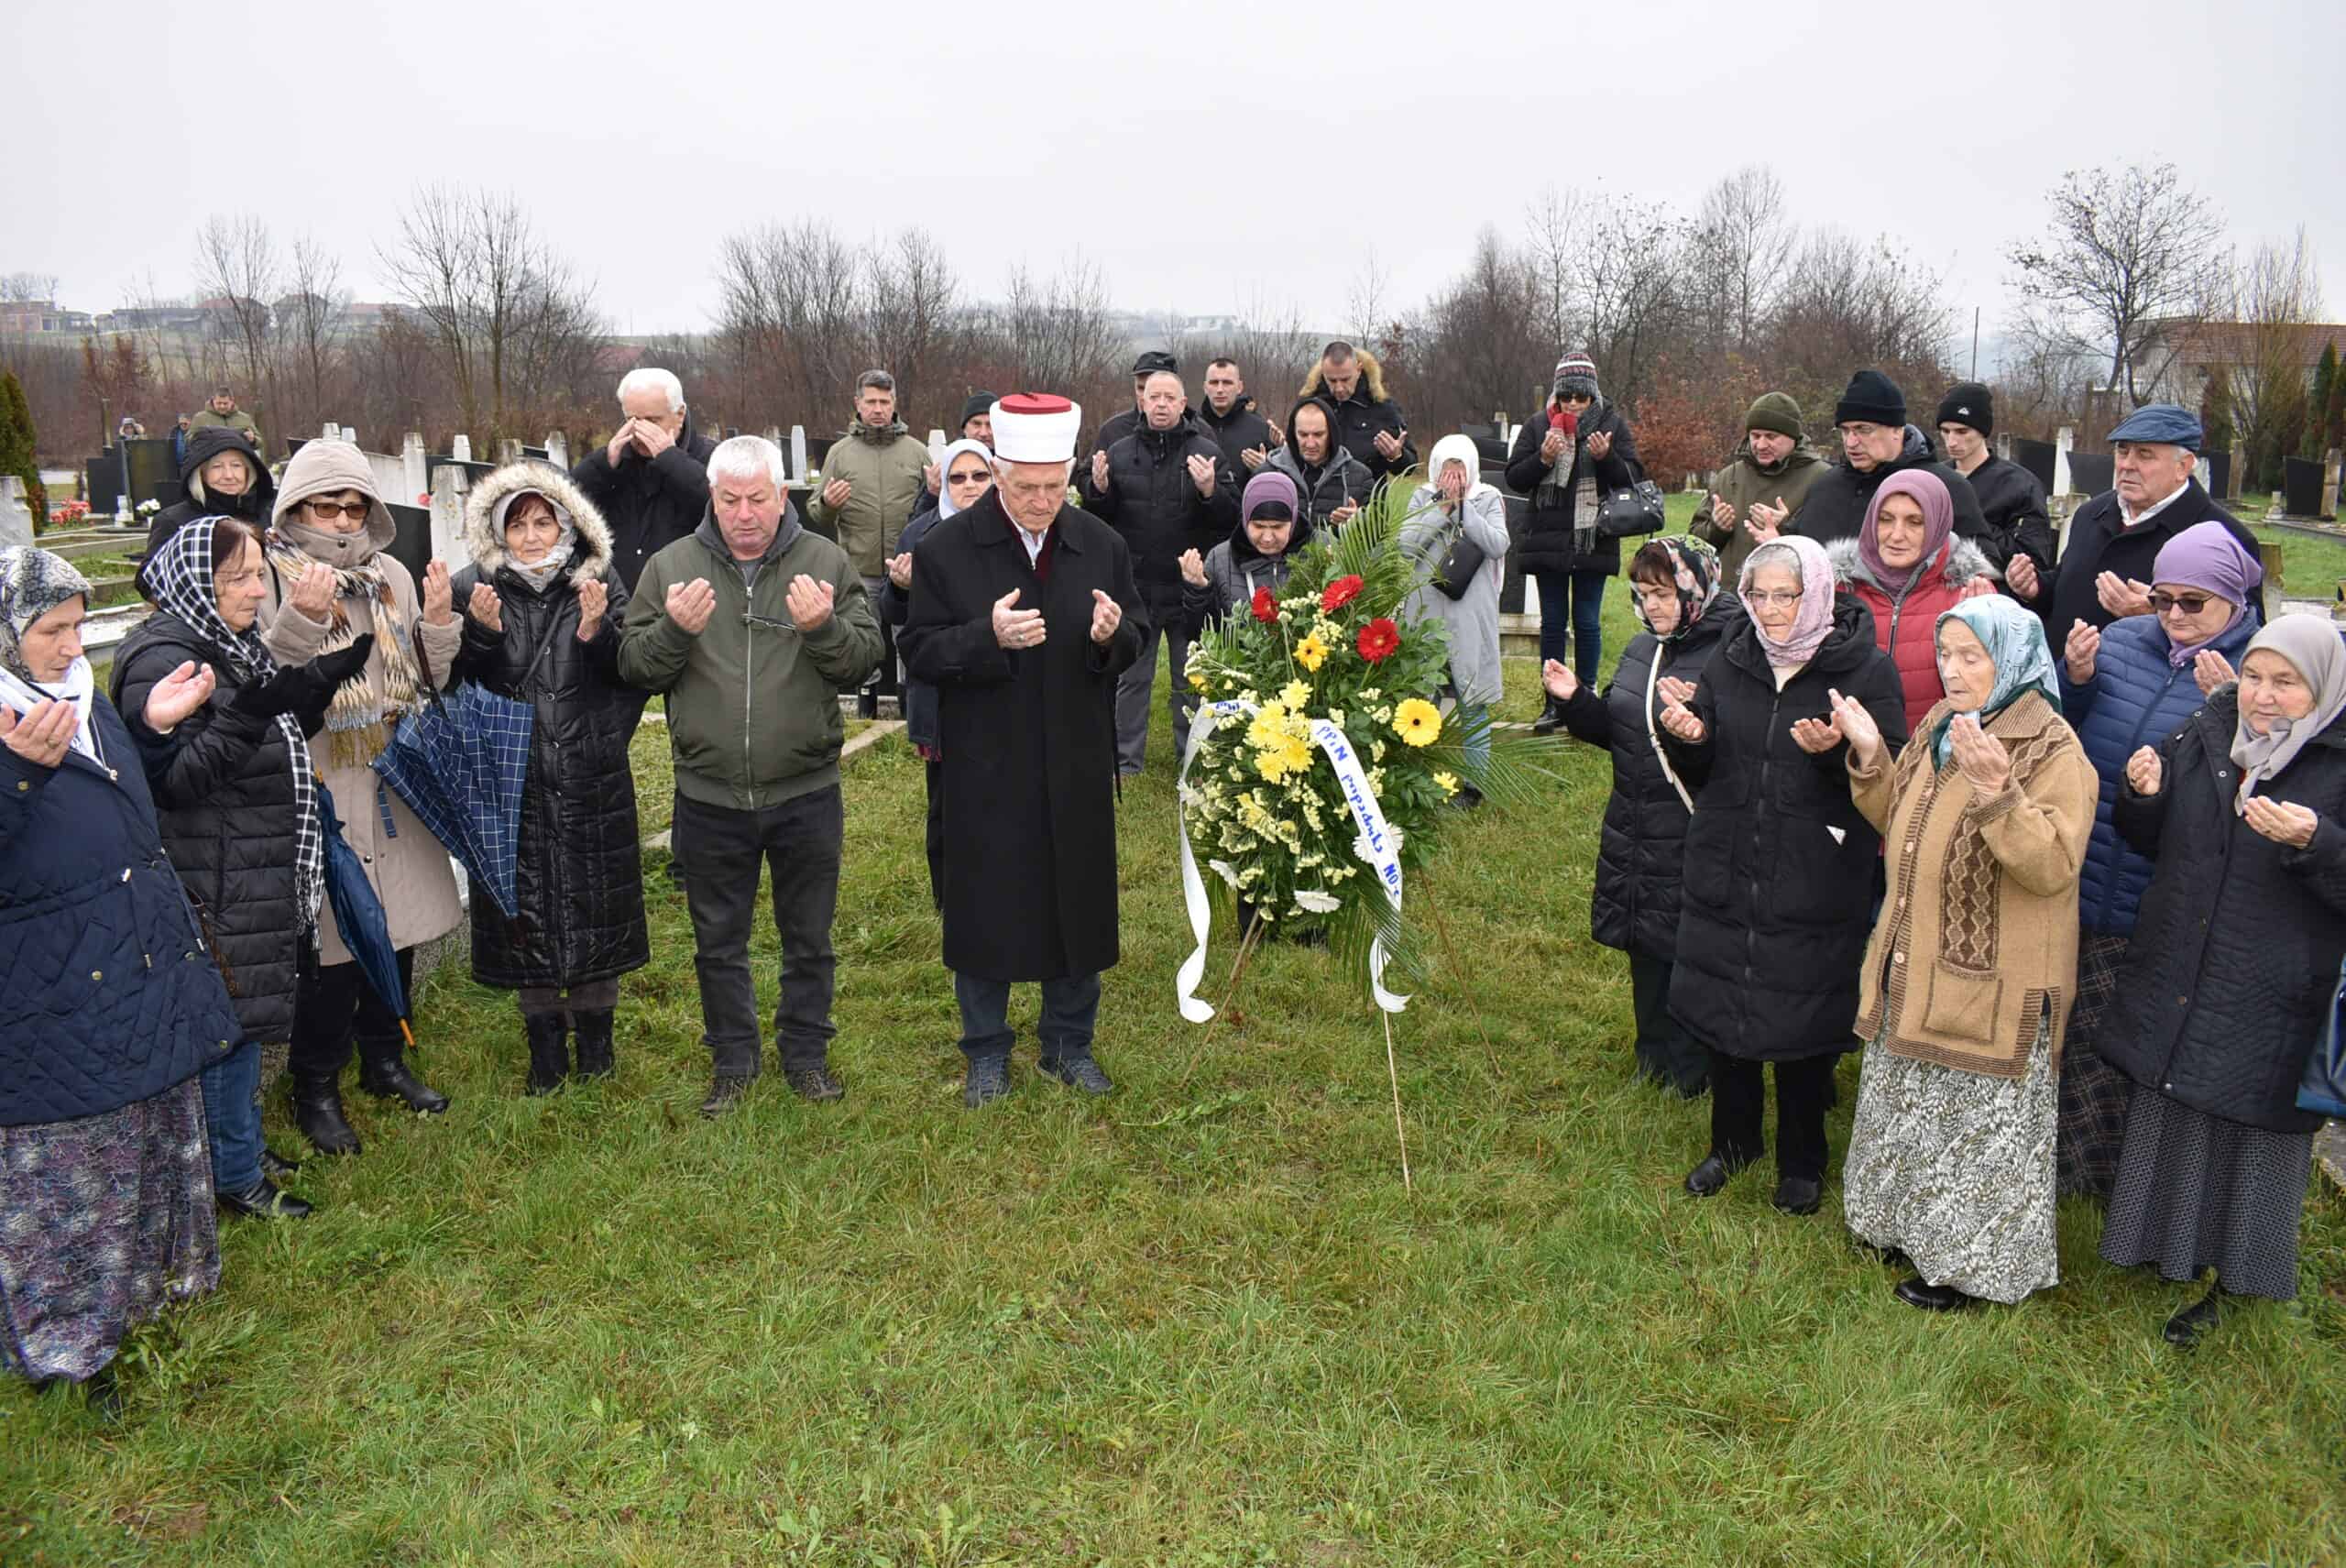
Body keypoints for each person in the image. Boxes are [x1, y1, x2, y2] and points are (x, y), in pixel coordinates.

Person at [0, 546, 236, 1411]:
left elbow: (111, 799)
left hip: (130, 959)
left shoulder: (81, 702)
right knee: (72, 1171)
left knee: (142, 1137)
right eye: (48, 632)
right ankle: (72, 1342)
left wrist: (152, 730)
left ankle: (146, 1291)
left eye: (73, 627)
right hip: (50, 990)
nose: (69, 647)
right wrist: (19, 773)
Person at [1837, 597, 2095, 1310]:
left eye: (1969, 657)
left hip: (1996, 980)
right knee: (1909, 1102)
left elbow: (2052, 865)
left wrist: (1997, 792)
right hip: (1916, 961)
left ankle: (1973, 1271)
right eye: (1945, 654)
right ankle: (1898, 1226)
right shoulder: (1944, 726)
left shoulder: (2052, 748)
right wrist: (1869, 756)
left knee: (1976, 1129)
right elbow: (1900, 818)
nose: (1951, 670)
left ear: (2010, 660)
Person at [2096, 615, 2346, 1345]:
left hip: (2276, 986)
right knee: (2175, 1110)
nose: (2262, 697)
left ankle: (2239, 1282)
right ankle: (2157, 1248)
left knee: (2254, 1134)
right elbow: (2153, 839)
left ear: (2324, 687)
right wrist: (2141, 795)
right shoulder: (2208, 731)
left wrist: (2317, 841)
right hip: (2187, 963)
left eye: (2285, 682)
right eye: (2256, 677)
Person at [115, 518, 372, 1220]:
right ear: (199, 582)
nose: (261, 591)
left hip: (251, 857)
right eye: (243, 578)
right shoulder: (160, 657)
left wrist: (309, 688)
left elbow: (269, 734)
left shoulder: (225, 642)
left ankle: (242, 1147)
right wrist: (257, 708)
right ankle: (233, 1177)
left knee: (250, 1017)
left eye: (261, 574)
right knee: (229, 1022)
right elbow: (180, 779)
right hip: (216, 870)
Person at [618, 435, 882, 1116]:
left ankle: (806, 1055)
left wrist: (822, 627)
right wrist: (674, 630)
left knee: (809, 936)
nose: (744, 513)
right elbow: (636, 668)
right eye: (730, 499)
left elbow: (864, 660)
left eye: (757, 498)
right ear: (712, 497)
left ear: (782, 494)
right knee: (718, 941)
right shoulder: (673, 567)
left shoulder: (823, 561)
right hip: (709, 796)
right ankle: (733, 1060)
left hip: (805, 790)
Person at [898, 394, 1146, 1107]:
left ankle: (1069, 1042)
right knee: (986, 905)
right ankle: (986, 1051)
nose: (1041, 502)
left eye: (1053, 486)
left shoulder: (1101, 544)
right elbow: (917, 650)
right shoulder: (945, 550)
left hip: (1073, 756)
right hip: (985, 762)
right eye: (1024, 487)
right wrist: (986, 638)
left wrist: (1111, 636)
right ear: (997, 474)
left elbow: (1135, 632)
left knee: (1078, 898)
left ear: (1070, 473)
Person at [1658, 535, 1908, 1214]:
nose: (1768, 610)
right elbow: (1708, 768)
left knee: (1803, 1017)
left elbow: (1891, 779)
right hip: (1729, 856)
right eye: (1757, 594)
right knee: (1724, 1008)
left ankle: (1802, 1160)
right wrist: (1691, 737)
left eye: (1784, 595)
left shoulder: (1863, 669)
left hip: (1815, 869)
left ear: (1817, 593)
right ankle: (1732, 1143)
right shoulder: (1731, 656)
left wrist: (1839, 754)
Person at [261, 441, 463, 1155]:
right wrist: (305, 620)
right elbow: (265, 689)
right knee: (334, 940)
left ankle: (385, 1060)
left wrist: (438, 623)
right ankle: (315, 1084)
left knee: (396, 929)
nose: (344, 519)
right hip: (319, 778)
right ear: (297, 508)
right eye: (327, 504)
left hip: (390, 775)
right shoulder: (271, 574)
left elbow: (426, 678)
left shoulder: (392, 576)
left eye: (355, 506)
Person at [2055, 521, 2264, 1198]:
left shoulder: (2255, 670)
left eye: (2193, 603)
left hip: (2162, 888)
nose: (2173, 615)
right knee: (2067, 1023)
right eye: (2163, 598)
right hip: (2084, 868)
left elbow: (2262, 786)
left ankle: (2115, 1178)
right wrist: (2078, 678)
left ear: (2234, 603)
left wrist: (2234, 708)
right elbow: (2065, 732)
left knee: (2126, 1030)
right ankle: (2056, 1164)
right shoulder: (2120, 642)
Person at [452, 466, 649, 1093]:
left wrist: (596, 634)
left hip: (589, 776)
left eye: (544, 521)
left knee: (592, 904)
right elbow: (454, 686)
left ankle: (597, 1048)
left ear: (568, 524)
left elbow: (631, 672)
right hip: (513, 783)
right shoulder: (474, 587)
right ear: (499, 530)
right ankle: (544, 1054)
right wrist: (478, 637)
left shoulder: (597, 582)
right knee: (528, 915)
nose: (532, 535)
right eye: (518, 523)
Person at [1540, 535, 1743, 1097]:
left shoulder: (1729, 652)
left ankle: (1693, 1069)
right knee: (1646, 944)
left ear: (1695, 587)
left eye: (1664, 592)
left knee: (1690, 951)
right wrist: (1575, 700)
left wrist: (1696, 731)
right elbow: (1619, 729)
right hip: (1634, 825)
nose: (1653, 605)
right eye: (1644, 593)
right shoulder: (1640, 648)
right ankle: (1651, 1057)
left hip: (1691, 829)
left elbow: (1735, 754)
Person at [1081, 369, 1234, 773]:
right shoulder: (1118, 450)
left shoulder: (1206, 450)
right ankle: (1126, 760)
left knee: (1190, 679)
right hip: (1136, 585)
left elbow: (1230, 517)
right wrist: (1098, 489)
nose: (1162, 404)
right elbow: (1098, 518)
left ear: (1183, 404)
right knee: (1133, 678)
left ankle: (1193, 758)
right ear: (1142, 402)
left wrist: (1210, 491)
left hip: (1188, 587)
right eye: (1154, 397)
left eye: (1170, 397)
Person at [2013, 403, 2264, 635]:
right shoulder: (2091, 513)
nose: (2127, 465)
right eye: (2123, 452)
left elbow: (2245, 634)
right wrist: (2036, 589)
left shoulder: (2226, 537)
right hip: (2066, 677)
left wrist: (2158, 614)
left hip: (2142, 682)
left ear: (2183, 467)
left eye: (2145, 455)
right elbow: (2067, 585)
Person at [882, 437, 995, 907]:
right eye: (958, 478)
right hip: (941, 691)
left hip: (998, 684)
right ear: (943, 484)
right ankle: (949, 898)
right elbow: (893, 615)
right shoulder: (920, 535)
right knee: (946, 804)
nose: (969, 487)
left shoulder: (1016, 533)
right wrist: (902, 588)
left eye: (980, 476)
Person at [1509, 349, 1645, 728]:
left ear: (1593, 396)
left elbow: (1632, 478)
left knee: (1586, 622)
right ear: (1556, 394)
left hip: (1594, 538)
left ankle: (1584, 698)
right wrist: (1543, 459)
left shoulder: (1612, 425)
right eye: (1566, 396)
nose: (1573, 404)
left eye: (1581, 397)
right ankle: (1553, 701)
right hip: (1547, 540)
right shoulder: (1539, 425)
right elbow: (1516, 478)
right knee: (1552, 623)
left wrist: (1608, 458)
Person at [1827, 469, 1999, 735]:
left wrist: (1987, 638)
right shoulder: (1840, 588)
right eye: (1885, 519)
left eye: (1915, 522)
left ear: (1937, 525)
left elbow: (1999, 696)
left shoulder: (1970, 594)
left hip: (1934, 761)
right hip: (1849, 759)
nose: (1896, 535)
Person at [808, 370, 929, 719]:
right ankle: (867, 711)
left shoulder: (916, 452)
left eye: (885, 402)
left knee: (908, 639)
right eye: (871, 401)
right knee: (863, 642)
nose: (878, 409)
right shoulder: (840, 454)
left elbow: (935, 510)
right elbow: (817, 515)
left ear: (895, 404)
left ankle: (909, 712)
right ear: (857, 403)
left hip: (906, 571)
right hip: (859, 570)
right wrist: (829, 504)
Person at [1400, 434, 1512, 795]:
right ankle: (1419, 780)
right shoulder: (1422, 498)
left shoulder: (1488, 498)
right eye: (1446, 467)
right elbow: (1406, 546)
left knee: (1472, 700)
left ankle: (1473, 783)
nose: (1452, 475)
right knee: (1423, 700)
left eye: (1459, 467)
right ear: (1435, 468)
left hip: (1470, 615)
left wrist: (1465, 508)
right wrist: (1443, 509)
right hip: (1426, 613)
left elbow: (1498, 543)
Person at [1779, 370, 1985, 547]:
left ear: (1897, 430)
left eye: (1863, 429)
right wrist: (1781, 541)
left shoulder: (1946, 487)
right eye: (1845, 431)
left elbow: (1981, 567)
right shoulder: (1825, 485)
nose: (1851, 442)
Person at [569, 367, 719, 595]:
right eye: (632, 420)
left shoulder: (712, 458)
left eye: (653, 420)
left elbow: (720, 508)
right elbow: (566, 508)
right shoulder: (614, 462)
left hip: (688, 599)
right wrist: (603, 465)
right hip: (619, 603)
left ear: (679, 415)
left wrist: (672, 461)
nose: (640, 431)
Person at [1691, 392, 1829, 584]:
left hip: (1787, 601)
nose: (1761, 445)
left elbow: (1829, 550)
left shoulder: (1821, 478)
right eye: (1755, 436)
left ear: (1793, 437)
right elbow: (1694, 544)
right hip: (1729, 602)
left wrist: (1784, 529)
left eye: (1771, 436)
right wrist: (1716, 528)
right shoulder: (1728, 476)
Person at [1935, 382, 2054, 601]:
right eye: (1945, 431)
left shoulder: (2020, 485)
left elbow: (2033, 563)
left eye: (1962, 431)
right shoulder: (1933, 478)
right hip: (1933, 600)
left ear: (1982, 431)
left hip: (1995, 603)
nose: (1952, 441)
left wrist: (1970, 521)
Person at [140, 424, 276, 595]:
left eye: (236, 465)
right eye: (217, 467)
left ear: (249, 471)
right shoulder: (174, 521)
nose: (229, 475)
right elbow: (148, 581)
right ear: (200, 473)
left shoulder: (266, 515)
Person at [1179, 470, 1315, 631]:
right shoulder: (1220, 559)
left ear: (1292, 521)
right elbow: (1198, 632)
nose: (1267, 538)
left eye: (1277, 527)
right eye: (1258, 526)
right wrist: (1198, 589)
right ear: (1245, 519)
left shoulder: (1322, 549)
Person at [1299, 341, 1416, 482]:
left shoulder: (1382, 407)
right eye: (1332, 381)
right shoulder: (1309, 405)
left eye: (1345, 379)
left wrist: (1396, 456)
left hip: (1368, 500)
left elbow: (1410, 467)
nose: (1339, 388)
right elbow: (1295, 457)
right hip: (1320, 499)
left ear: (1359, 369)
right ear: (1323, 373)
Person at [1264, 396, 1374, 531]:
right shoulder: (1267, 473)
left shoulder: (1361, 476)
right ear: (1293, 434)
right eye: (1303, 435)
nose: (1310, 444)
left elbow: (1378, 535)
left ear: (1331, 434)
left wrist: (1358, 522)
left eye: (1318, 435)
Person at [1198, 358, 1276, 478]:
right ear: (1205, 387)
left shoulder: (1261, 429)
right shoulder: (1191, 428)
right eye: (1214, 383)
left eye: (1227, 383)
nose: (1220, 390)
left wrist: (1266, 469)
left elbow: (1278, 482)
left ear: (1239, 387)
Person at [1094, 350, 1178, 457]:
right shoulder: (1112, 431)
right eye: (1141, 388)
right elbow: (1085, 472)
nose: (1144, 396)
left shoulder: (1197, 433)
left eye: (1153, 391)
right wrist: (1098, 474)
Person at [189, 386, 262, 452]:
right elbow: (188, 440)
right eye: (219, 403)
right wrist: (201, 437)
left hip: (238, 462)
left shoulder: (245, 418)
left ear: (232, 402)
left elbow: (259, 442)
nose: (222, 406)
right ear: (213, 401)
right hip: (210, 463)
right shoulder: (200, 418)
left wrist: (253, 440)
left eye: (225, 403)